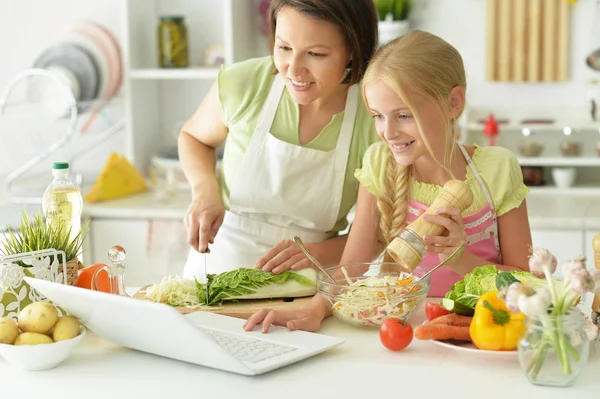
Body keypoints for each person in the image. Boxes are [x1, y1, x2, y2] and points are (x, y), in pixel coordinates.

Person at [243, 29, 533, 333]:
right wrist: (314, 310)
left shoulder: (496, 170)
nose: (388, 132)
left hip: (486, 327)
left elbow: (525, 284)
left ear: (454, 102)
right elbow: (350, 270)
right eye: (378, 116)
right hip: (403, 330)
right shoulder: (380, 164)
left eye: (404, 116)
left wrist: (460, 258)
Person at [178, 0, 380, 279]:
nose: (294, 70)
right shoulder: (246, 82)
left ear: (352, 50)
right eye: (284, 48)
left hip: (310, 286)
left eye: (316, 54)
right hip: (214, 271)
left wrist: (317, 254)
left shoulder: (375, 116)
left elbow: (379, 234)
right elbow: (193, 137)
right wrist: (204, 191)